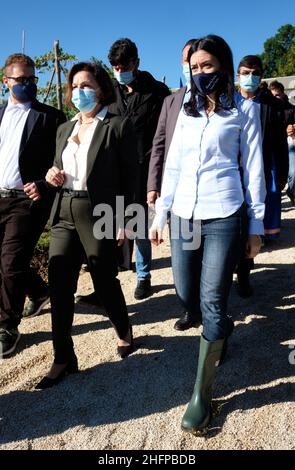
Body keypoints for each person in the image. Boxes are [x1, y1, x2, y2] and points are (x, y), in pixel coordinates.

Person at [149, 35, 266, 433]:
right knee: (186, 293)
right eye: (195, 67)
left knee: (213, 299)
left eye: (208, 66)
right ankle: (218, 331)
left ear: (223, 66)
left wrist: (255, 226)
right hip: (183, 212)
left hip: (224, 211)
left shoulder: (243, 111)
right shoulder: (185, 108)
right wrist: (159, 213)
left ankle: (202, 395)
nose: (201, 74)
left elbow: (252, 169)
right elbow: (174, 166)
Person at [35, 62, 137, 389]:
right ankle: (63, 357)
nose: (80, 91)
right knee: (60, 284)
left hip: (99, 212)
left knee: (104, 280)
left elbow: (131, 178)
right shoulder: (65, 128)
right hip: (64, 208)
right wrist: (52, 175)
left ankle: (124, 330)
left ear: (101, 88)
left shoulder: (117, 126)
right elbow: (58, 167)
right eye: (75, 86)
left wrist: (127, 220)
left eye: (86, 85)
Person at [76, 38, 170, 306]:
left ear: (136, 63)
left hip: (144, 168)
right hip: (112, 169)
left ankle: (143, 275)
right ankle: (106, 281)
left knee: (138, 224)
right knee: (108, 226)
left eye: (124, 65)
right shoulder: (108, 94)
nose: (119, 70)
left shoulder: (157, 92)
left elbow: (163, 133)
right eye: (115, 66)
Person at [0, 53, 65, 357]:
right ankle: (39, 291)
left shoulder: (50, 117)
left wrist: (43, 184)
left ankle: (7, 326)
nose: (28, 84)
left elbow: (62, 160)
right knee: (4, 261)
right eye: (21, 79)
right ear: (6, 82)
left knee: (11, 262)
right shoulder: (0, 114)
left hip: (27, 200)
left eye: (32, 79)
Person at [147, 39, 202, 331]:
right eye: (186, 60)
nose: (190, 66)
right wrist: (153, 184)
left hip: (211, 198)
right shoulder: (171, 101)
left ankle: (214, 320)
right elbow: (159, 146)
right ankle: (191, 308)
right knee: (182, 269)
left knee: (209, 266)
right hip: (178, 195)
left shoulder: (225, 99)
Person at [236, 57, 289, 297]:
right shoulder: (226, 101)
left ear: (261, 75)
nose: (250, 77)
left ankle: (244, 274)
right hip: (230, 173)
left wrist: (282, 172)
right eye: (245, 72)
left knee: (251, 225)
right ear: (238, 74)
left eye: (255, 73)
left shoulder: (271, 105)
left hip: (261, 171)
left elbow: (280, 143)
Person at [269, 80, 295, 206]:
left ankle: (291, 191)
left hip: (289, 147)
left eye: (278, 95)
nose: (275, 98)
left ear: (283, 94)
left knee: (293, 174)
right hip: (273, 149)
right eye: (272, 96)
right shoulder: (267, 110)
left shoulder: (291, 109)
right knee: (276, 181)